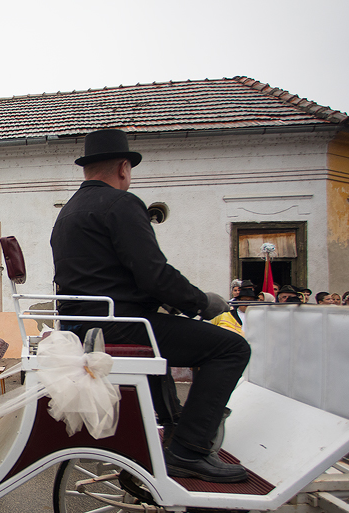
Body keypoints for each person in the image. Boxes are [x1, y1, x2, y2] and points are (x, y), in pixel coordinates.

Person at [50, 129, 250, 483]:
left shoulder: (67, 213)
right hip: (121, 324)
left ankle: (173, 430)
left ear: (87, 168)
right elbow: (153, 273)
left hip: (85, 325)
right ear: (124, 168)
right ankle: (189, 448)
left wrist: (168, 303)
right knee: (232, 348)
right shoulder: (122, 203)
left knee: (166, 336)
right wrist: (203, 303)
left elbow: (107, 276)